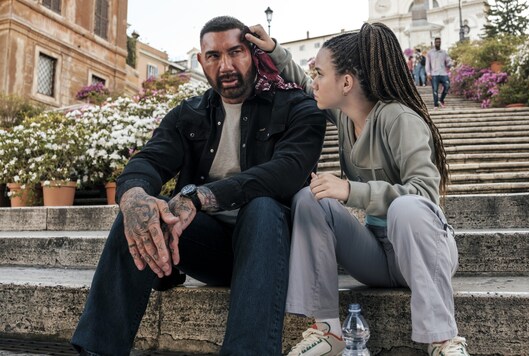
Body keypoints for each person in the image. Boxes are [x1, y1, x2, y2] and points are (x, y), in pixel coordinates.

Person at [71, 16, 327, 356]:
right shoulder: (189, 114)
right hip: (214, 251)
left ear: (252, 52)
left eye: (235, 52)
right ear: (201, 61)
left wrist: (200, 196)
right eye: (213, 56)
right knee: (141, 211)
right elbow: (147, 161)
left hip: (275, 250)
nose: (226, 65)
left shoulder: (296, 105)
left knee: (263, 207)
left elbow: (287, 172)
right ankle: (97, 350)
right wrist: (133, 198)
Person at [246, 22, 469, 356]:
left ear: (346, 82)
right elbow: (306, 85)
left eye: (321, 72)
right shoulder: (346, 117)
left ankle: (442, 339)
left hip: (423, 251)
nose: (315, 80)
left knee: (406, 207)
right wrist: (274, 50)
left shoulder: (400, 119)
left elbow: (425, 194)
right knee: (310, 196)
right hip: (376, 257)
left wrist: (352, 191)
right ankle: (327, 330)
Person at [426, 37, 453, 109]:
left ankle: (441, 100)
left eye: (439, 42)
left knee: (447, 86)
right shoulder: (430, 53)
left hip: (443, 73)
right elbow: (427, 64)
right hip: (434, 74)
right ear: (434, 43)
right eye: (437, 42)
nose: (438, 43)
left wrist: (451, 63)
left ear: (440, 43)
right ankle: (436, 105)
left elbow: (448, 61)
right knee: (435, 90)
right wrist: (428, 73)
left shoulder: (444, 52)